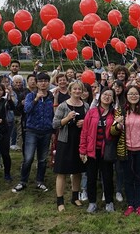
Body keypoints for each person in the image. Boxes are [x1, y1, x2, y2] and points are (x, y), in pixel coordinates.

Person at [113, 85, 140, 217]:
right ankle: (130, 204)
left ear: (139, 95)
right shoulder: (121, 111)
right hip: (126, 150)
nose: (133, 96)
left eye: (135, 94)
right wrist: (117, 125)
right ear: (126, 96)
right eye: (130, 94)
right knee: (128, 179)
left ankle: (139, 205)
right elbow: (112, 131)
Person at [13, 72, 55, 193]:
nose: (43, 83)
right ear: (37, 83)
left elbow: (54, 113)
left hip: (46, 131)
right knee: (29, 158)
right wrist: (36, 99)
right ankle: (23, 181)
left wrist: (53, 130)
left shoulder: (52, 96)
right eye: (41, 81)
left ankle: (40, 181)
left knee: (42, 159)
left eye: (46, 81)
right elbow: (26, 110)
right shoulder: (31, 96)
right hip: (32, 130)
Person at [52, 81, 88, 212]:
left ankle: (75, 196)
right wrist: (67, 119)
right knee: (62, 172)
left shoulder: (86, 105)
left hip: (80, 142)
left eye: (80, 89)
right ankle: (60, 201)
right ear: (70, 90)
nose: (77, 91)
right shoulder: (63, 106)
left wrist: (85, 123)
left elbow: (90, 123)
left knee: (77, 170)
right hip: (65, 142)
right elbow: (55, 124)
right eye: (75, 89)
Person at [81, 87, 117, 213]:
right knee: (91, 177)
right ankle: (92, 202)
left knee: (107, 177)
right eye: (105, 94)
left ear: (113, 99)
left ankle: (109, 202)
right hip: (92, 150)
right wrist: (82, 150)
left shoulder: (115, 113)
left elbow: (117, 132)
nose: (107, 97)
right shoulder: (91, 112)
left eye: (110, 95)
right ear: (100, 96)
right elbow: (84, 131)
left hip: (106, 151)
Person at [0, 82, 15, 181]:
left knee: (5, 153)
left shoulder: (4, 101)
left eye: (0, 90)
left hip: (3, 130)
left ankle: (7, 173)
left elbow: (13, 108)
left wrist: (9, 96)